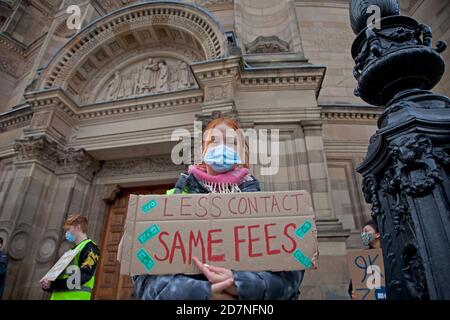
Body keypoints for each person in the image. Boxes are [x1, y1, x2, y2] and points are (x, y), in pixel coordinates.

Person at [132, 117, 305, 300]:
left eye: (232, 142)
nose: (222, 147)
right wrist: (203, 293)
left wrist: (239, 285)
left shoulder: (269, 207)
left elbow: (290, 276)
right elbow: (144, 280)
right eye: (213, 141)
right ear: (202, 151)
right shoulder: (171, 201)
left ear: (243, 153)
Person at [40, 215, 100, 300]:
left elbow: (84, 275)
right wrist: (48, 284)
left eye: (68, 229)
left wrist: (53, 285)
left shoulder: (91, 248)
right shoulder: (71, 251)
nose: (66, 233)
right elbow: (62, 275)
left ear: (78, 227)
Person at [349, 219, 381, 299]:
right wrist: (353, 293)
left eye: (366, 231)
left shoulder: (389, 254)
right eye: (362, 232)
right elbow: (355, 283)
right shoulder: (362, 258)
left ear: (377, 234)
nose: (364, 234)